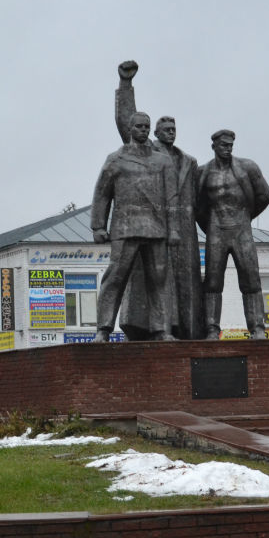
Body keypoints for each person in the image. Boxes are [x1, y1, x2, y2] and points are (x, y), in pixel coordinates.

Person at [113, 61, 202, 340]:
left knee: (179, 284)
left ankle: (178, 328)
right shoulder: (146, 152)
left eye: (174, 128)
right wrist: (126, 85)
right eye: (165, 129)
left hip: (181, 232)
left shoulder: (188, 161)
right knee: (154, 281)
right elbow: (126, 119)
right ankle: (150, 328)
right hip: (151, 226)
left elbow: (197, 199)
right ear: (155, 133)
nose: (171, 132)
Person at [90, 107, 176, 342]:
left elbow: (172, 198)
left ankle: (161, 330)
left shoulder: (162, 160)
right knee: (115, 278)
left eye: (147, 126)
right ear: (129, 129)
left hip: (156, 228)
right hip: (125, 227)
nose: (144, 130)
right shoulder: (116, 159)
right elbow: (102, 194)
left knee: (158, 280)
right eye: (139, 126)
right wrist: (98, 226)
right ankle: (103, 329)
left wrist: (174, 229)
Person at [196, 129, 269, 339]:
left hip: (241, 230)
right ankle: (212, 328)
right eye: (223, 145)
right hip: (216, 231)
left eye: (230, 145)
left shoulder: (247, 167)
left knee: (251, 279)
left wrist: (245, 217)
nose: (228, 149)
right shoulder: (203, 172)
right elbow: (197, 206)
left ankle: (257, 327)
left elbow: (265, 195)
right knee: (212, 282)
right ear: (214, 146)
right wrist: (210, 224)